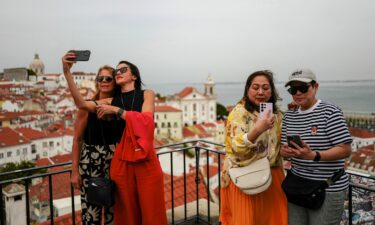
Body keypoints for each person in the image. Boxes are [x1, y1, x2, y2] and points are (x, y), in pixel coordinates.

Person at [62, 52, 168, 225]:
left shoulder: (145, 94)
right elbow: (82, 105)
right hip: (118, 163)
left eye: (122, 70)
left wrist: (117, 111)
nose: (116, 74)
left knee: (148, 211)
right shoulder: (112, 100)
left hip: (136, 160)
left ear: (134, 75)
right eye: (102, 78)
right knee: (122, 214)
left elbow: (147, 122)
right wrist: (67, 72)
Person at [280, 69, 352, 225]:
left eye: (303, 88)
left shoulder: (330, 112)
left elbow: (345, 149)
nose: (298, 93)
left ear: (315, 87)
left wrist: (314, 156)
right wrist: (285, 152)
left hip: (326, 188)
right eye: (293, 89)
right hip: (297, 186)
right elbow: (282, 149)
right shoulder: (289, 115)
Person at [220, 70, 288, 225]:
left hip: (272, 175)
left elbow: (276, 145)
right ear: (247, 89)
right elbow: (236, 147)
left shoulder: (275, 114)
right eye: (255, 87)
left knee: (275, 219)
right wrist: (258, 129)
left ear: (272, 91)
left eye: (265, 88)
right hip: (244, 177)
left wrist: (286, 150)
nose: (260, 92)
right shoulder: (239, 113)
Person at [70, 65, 119, 225]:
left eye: (108, 78)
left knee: (115, 214)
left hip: (116, 166)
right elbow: (77, 139)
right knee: (91, 215)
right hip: (91, 166)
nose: (104, 81)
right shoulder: (87, 107)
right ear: (96, 81)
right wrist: (74, 171)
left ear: (115, 82)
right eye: (100, 78)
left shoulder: (119, 106)